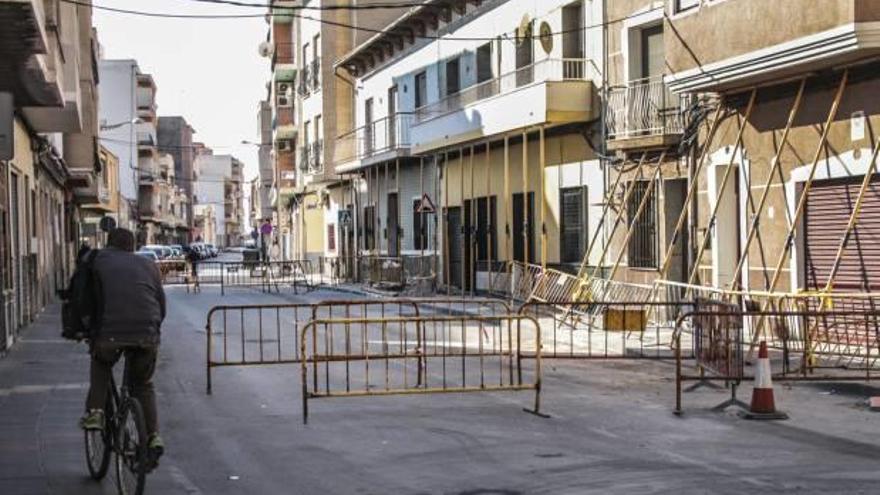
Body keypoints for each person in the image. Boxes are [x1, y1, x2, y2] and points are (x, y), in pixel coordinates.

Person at [79, 228, 166, 465]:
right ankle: (154, 436)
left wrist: (85, 328)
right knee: (143, 385)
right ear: (133, 247)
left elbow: (84, 298)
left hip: (109, 334)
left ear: (109, 244)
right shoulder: (149, 265)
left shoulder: (97, 260)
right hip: (147, 334)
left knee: (101, 363)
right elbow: (161, 305)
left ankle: (96, 412)